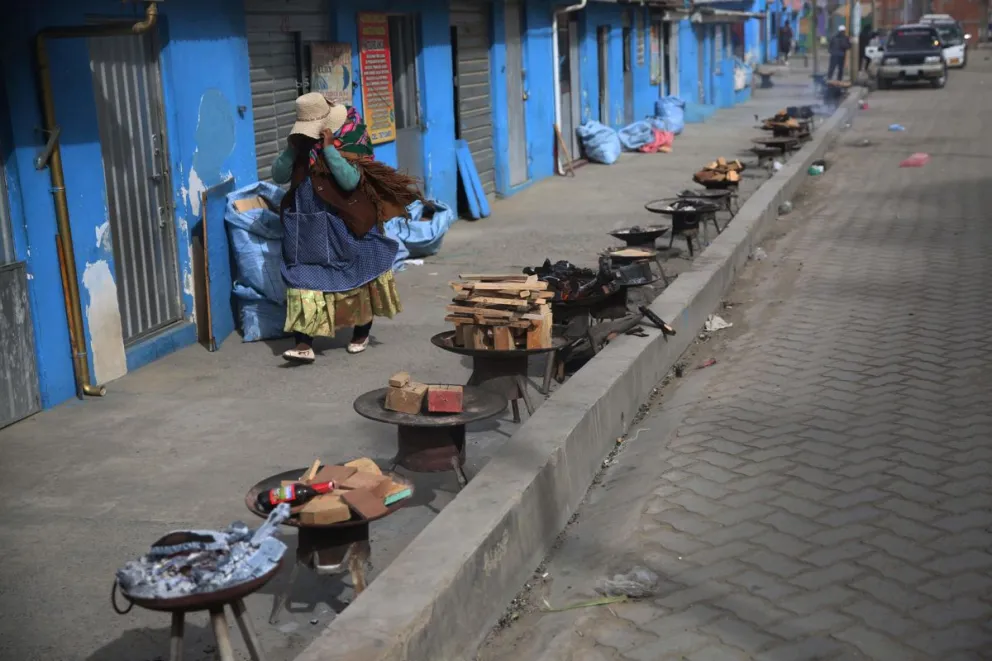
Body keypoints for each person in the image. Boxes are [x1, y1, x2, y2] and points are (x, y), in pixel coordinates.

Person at [271, 93, 422, 364]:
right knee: (303, 280)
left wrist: (328, 150)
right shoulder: (301, 147)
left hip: (346, 224)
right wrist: (291, 150)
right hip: (307, 229)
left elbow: (350, 181)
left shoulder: (351, 139)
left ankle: (361, 332)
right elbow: (279, 174)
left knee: (359, 278)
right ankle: (304, 344)